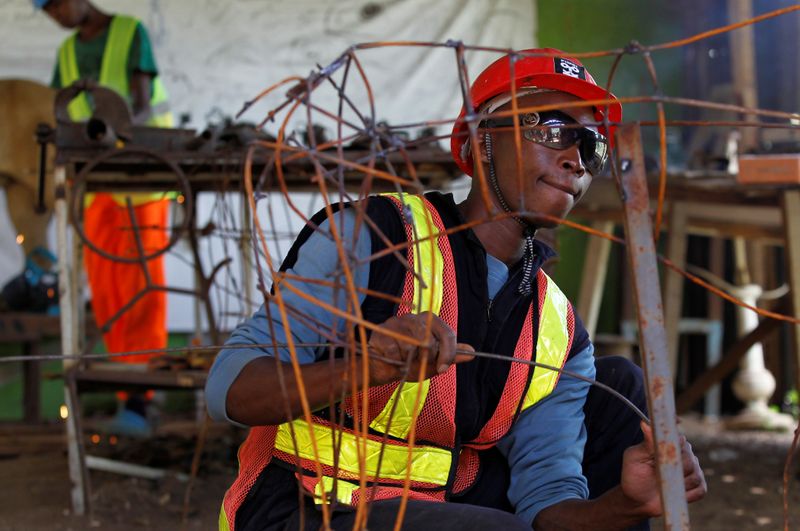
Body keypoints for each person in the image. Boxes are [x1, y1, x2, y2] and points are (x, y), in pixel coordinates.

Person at [206, 49, 706, 530]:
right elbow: (228, 389)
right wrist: (366, 369)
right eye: (554, 131)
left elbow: (548, 506)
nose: (576, 159)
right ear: (480, 139)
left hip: (440, 509)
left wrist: (624, 506)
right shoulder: (373, 236)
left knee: (618, 388)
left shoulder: (557, 326)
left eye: (592, 146)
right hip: (307, 506)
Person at [37, 0, 174, 433]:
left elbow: (139, 102)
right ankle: (126, 394)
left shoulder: (129, 31)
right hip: (97, 187)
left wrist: (116, 134)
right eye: (47, 12)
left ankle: (145, 392)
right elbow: (61, 106)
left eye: (56, 5)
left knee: (142, 287)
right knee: (109, 290)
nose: (55, 16)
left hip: (140, 177)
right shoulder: (66, 52)